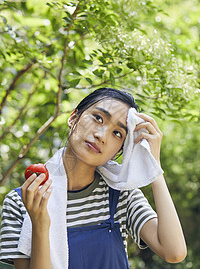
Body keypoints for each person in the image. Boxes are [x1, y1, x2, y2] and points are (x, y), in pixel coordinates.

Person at [0, 87, 187, 269]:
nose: (102, 135)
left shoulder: (121, 195)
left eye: (117, 133)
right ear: (73, 118)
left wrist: (153, 166)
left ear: (116, 153)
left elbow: (174, 252)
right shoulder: (21, 202)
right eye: (98, 118)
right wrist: (40, 223)